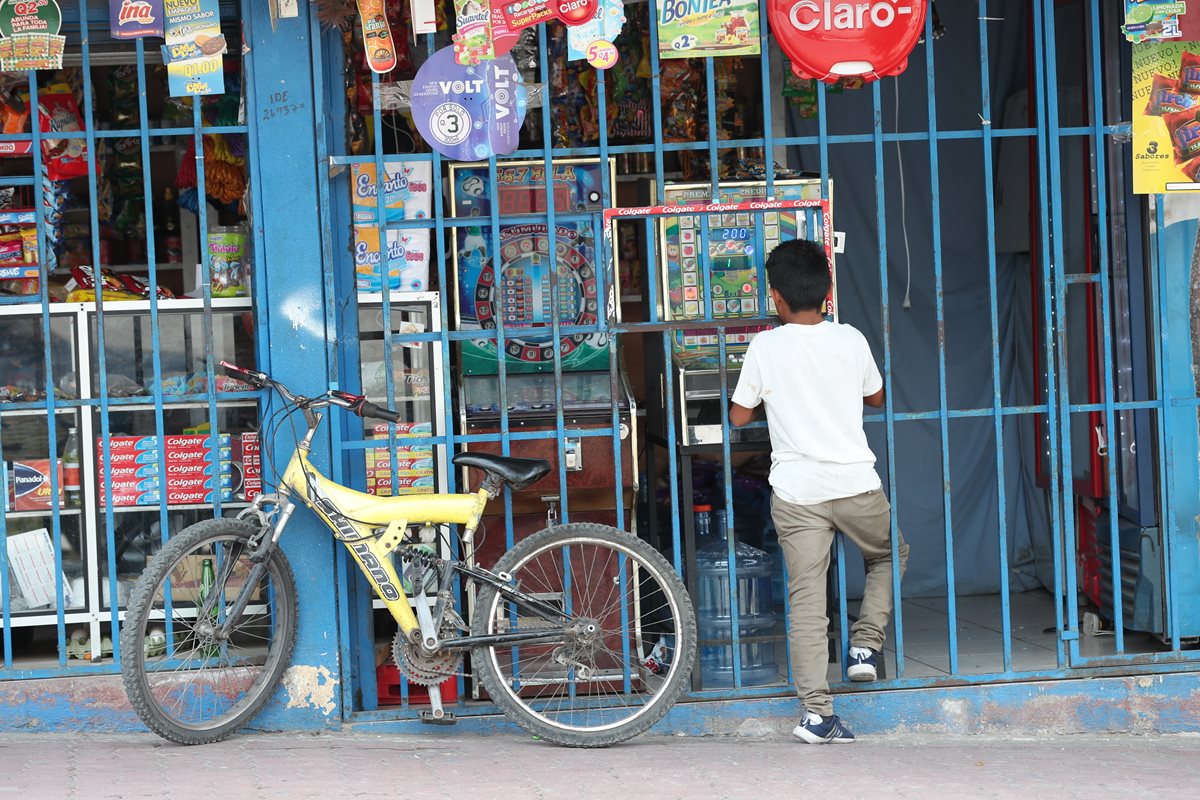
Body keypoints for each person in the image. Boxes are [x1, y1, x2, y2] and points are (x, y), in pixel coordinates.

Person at [729, 238, 909, 744]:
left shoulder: (765, 346)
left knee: (806, 599)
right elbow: (876, 395)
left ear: (776, 299)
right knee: (889, 553)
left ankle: (816, 714)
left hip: (797, 491)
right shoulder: (850, 339)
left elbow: (738, 415)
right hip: (855, 484)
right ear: (828, 293)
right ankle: (864, 648)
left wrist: (767, 393)